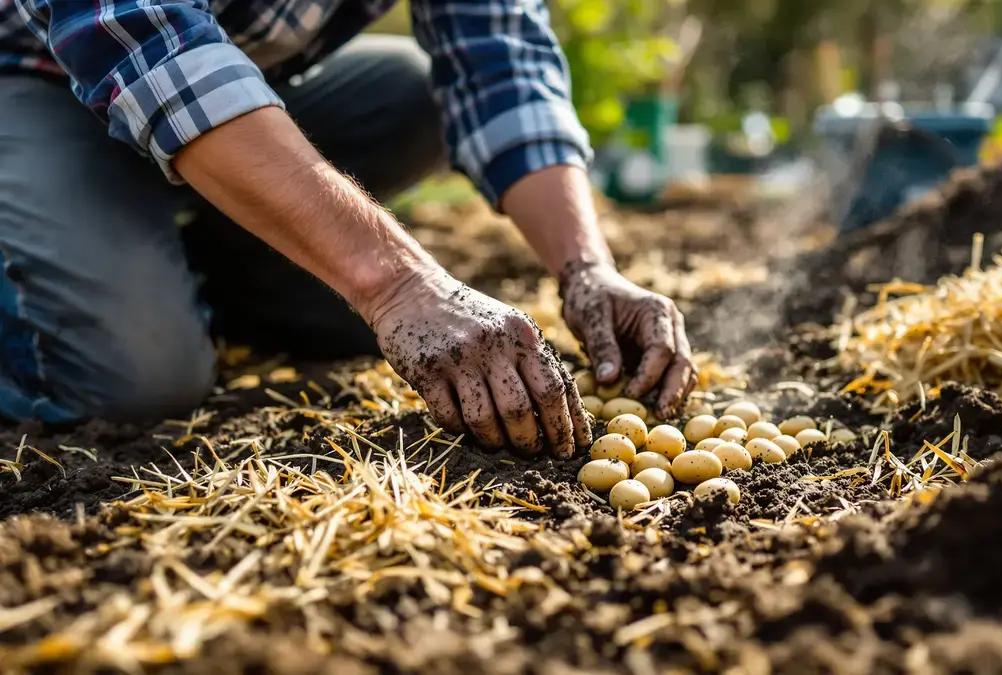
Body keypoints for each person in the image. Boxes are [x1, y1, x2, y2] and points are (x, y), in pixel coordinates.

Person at [0, 0, 696, 457]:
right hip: (36, 82)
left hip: (206, 95)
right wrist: (399, 283)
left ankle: (194, 274)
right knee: (138, 381)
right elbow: (141, 37)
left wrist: (585, 265)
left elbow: (500, 61)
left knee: (418, 93)